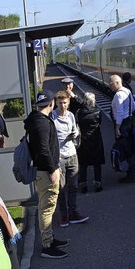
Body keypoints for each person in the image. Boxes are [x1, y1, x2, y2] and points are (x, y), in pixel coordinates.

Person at [23, 90, 69, 259]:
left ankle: (50, 239)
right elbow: (43, 149)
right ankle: (47, 246)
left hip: (43, 170)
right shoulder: (41, 123)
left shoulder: (36, 120)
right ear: (51, 104)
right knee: (46, 209)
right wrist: (52, 169)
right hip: (46, 171)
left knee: (47, 207)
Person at [51, 90, 89, 228]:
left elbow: (75, 129)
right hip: (59, 157)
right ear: (56, 103)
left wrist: (75, 133)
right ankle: (63, 214)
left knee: (73, 186)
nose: (63, 106)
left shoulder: (71, 116)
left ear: (69, 102)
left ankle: (73, 212)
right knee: (61, 187)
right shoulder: (52, 117)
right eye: (60, 103)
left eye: (65, 103)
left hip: (72, 154)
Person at [109, 74, 135, 183]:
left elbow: (119, 114)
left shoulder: (118, 96)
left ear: (117, 83)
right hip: (130, 122)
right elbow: (134, 106)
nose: (110, 86)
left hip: (123, 126)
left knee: (126, 150)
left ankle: (131, 175)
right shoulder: (127, 91)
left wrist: (117, 128)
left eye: (111, 84)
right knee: (131, 149)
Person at [76, 92, 105, 193]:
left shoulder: (79, 112)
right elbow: (99, 123)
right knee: (97, 164)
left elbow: (78, 123)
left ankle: (84, 186)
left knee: (83, 164)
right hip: (96, 139)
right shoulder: (97, 112)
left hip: (83, 140)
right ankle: (98, 184)